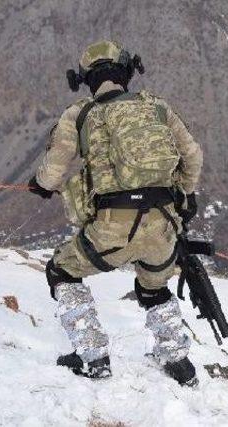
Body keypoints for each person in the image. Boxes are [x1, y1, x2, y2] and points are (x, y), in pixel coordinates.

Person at [27, 40, 203, 386]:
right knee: (155, 287)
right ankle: (178, 362)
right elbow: (193, 156)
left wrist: (40, 184)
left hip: (111, 228)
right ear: (126, 71)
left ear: (85, 79)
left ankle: (94, 357)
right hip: (163, 225)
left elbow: (52, 173)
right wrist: (185, 191)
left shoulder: (79, 114)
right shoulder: (157, 108)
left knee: (62, 271)